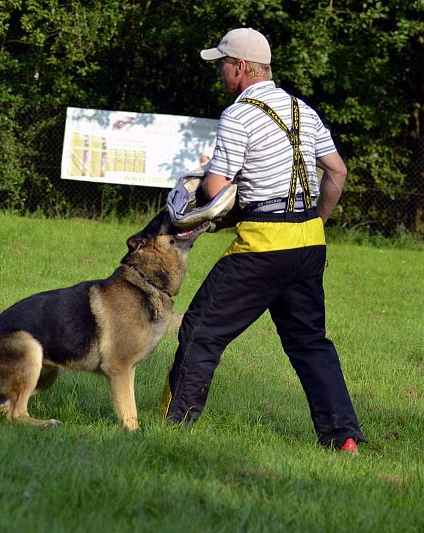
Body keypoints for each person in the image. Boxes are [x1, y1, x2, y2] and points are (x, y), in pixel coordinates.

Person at [160, 28, 365, 454]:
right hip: (309, 244)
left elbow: (216, 187)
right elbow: (337, 172)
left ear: (239, 67)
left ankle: (171, 427)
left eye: (222, 64)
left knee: (201, 332)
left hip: (263, 246)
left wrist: (195, 199)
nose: (219, 71)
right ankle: (342, 436)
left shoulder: (239, 114)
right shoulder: (302, 111)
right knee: (310, 342)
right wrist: (316, 222)